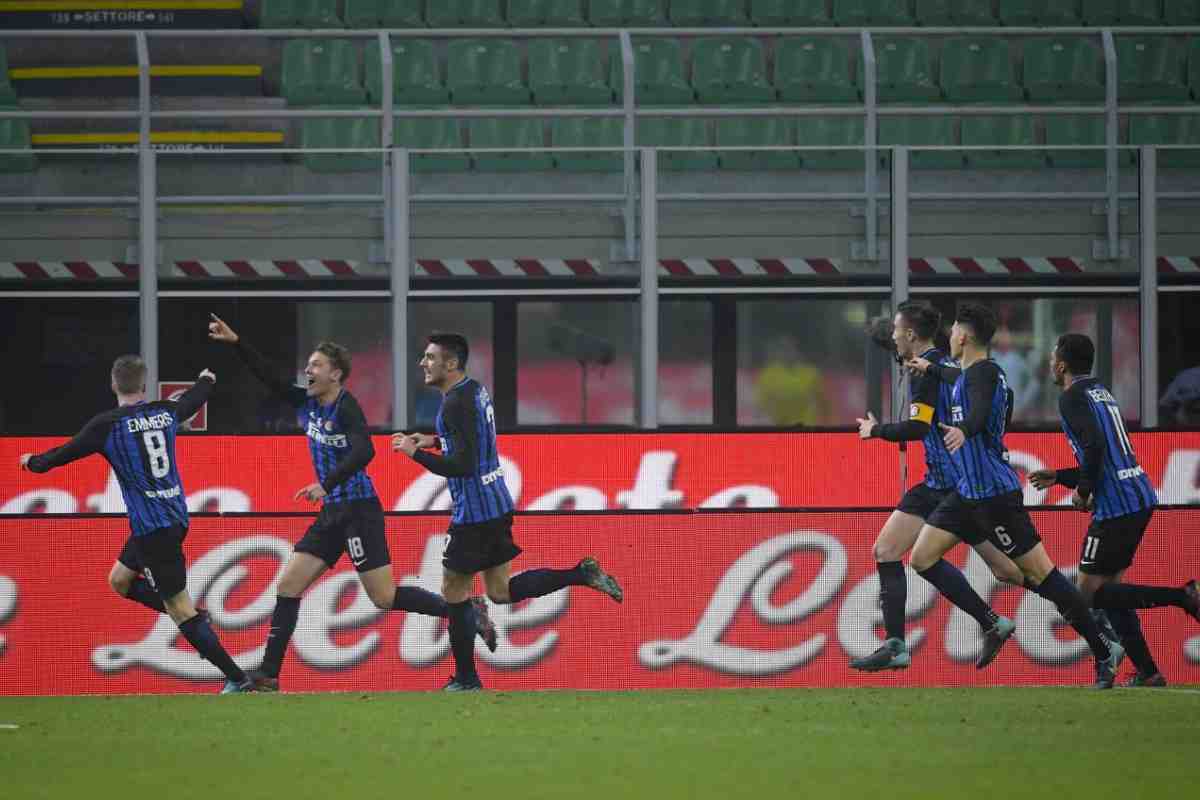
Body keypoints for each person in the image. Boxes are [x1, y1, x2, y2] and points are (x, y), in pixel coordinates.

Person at [206, 314, 495, 692]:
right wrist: (237, 341)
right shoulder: (305, 401)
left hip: (359, 511)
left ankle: (463, 610)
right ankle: (268, 674)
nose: (307, 371)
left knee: (384, 597)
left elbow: (364, 452)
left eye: (316, 366)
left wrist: (326, 484)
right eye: (308, 365)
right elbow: (270, 377)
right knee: (288, 585)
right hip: (332, 514)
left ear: (336, 375)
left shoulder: (346, 408)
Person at [908, 304, 1125, 688]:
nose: (951, 335)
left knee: (1040, 573)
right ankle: (992, 623)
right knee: (923, 558)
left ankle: (1104, 647)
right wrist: (930, 369)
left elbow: (976, 414)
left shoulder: (985, 374)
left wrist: (966, 430)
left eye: (955, 328)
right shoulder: (969, 374)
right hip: (967, 493)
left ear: (965, 335)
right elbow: (957, 378)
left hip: (993, 495)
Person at [393, 333, 623, 691]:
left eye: (430, 357)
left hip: (474, 512)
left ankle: (466, 679)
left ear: (450, 363)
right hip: (497, 503)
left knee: (454, 592)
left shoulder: (454, 403)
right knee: (499, 591)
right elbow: (470, 437)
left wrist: (414, 453)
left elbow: (461, 464)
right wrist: (433, 439)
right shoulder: (473, 391)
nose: (423, 363)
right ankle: (580, 574)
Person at [19, 355, 253, 693]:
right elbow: (192, 400)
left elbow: (62, 455)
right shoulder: (165, 412)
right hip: (169, 519)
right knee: (120, 580)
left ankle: (235, 676)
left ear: (113, 384)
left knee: (178, 607)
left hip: (153, 529)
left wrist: (32, 463)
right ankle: (195, 621)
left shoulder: (107, 425)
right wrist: (206, 379)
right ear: (143, 385)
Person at [851, 302, 1024, 672]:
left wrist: (876, 430)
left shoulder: (926, 373)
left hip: (951, 485)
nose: (895, 336)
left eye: (898, 330)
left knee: (1012, 571)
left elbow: (919, 427)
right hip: (939, 482)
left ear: (911, 335)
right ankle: (898, 644)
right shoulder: (942, 363)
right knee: (886, 550)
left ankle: (1080, 611)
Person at [1030, 333, 1200, 687]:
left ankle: (1182, 596)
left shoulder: (1071, 397)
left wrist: (1082, 491)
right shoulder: (1100, 392)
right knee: (1111, 592)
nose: (1049, 363)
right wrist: (1060, 476)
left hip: (1117, 506)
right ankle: (1149, 671)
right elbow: (1105, 452)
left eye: (1051, 357)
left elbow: (1093, 445)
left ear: (1061, 365)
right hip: (1137, 494)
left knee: (1087, 594)